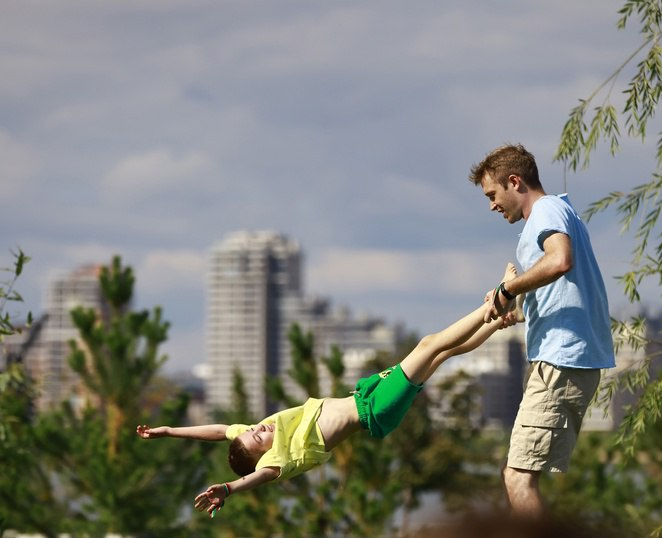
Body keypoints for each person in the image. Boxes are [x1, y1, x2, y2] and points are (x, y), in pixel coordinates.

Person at [137, 264, 520, 519]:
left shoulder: (253, 432)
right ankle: (498, 299)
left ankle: (502, 320)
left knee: (442, 353)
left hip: (365, 395)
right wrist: (227, 488)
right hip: (374, 411)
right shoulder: (279, 459)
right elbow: (256, 478)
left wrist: (169, 431)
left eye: (254, 431)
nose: (260, 430)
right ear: (264, 455)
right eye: (259, 439)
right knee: (428, 346)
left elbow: (220, 430)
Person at [468, 143, 615, 517]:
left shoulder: (547, 210)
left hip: (560, 359)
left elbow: (560, 260)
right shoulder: (557, 212)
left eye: (492, 195)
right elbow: (558, 291)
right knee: (518, 475)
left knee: (517, 479)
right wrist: (514, 311)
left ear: (514, 182)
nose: (492, 206)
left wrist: (508, 289)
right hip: (562, 358)